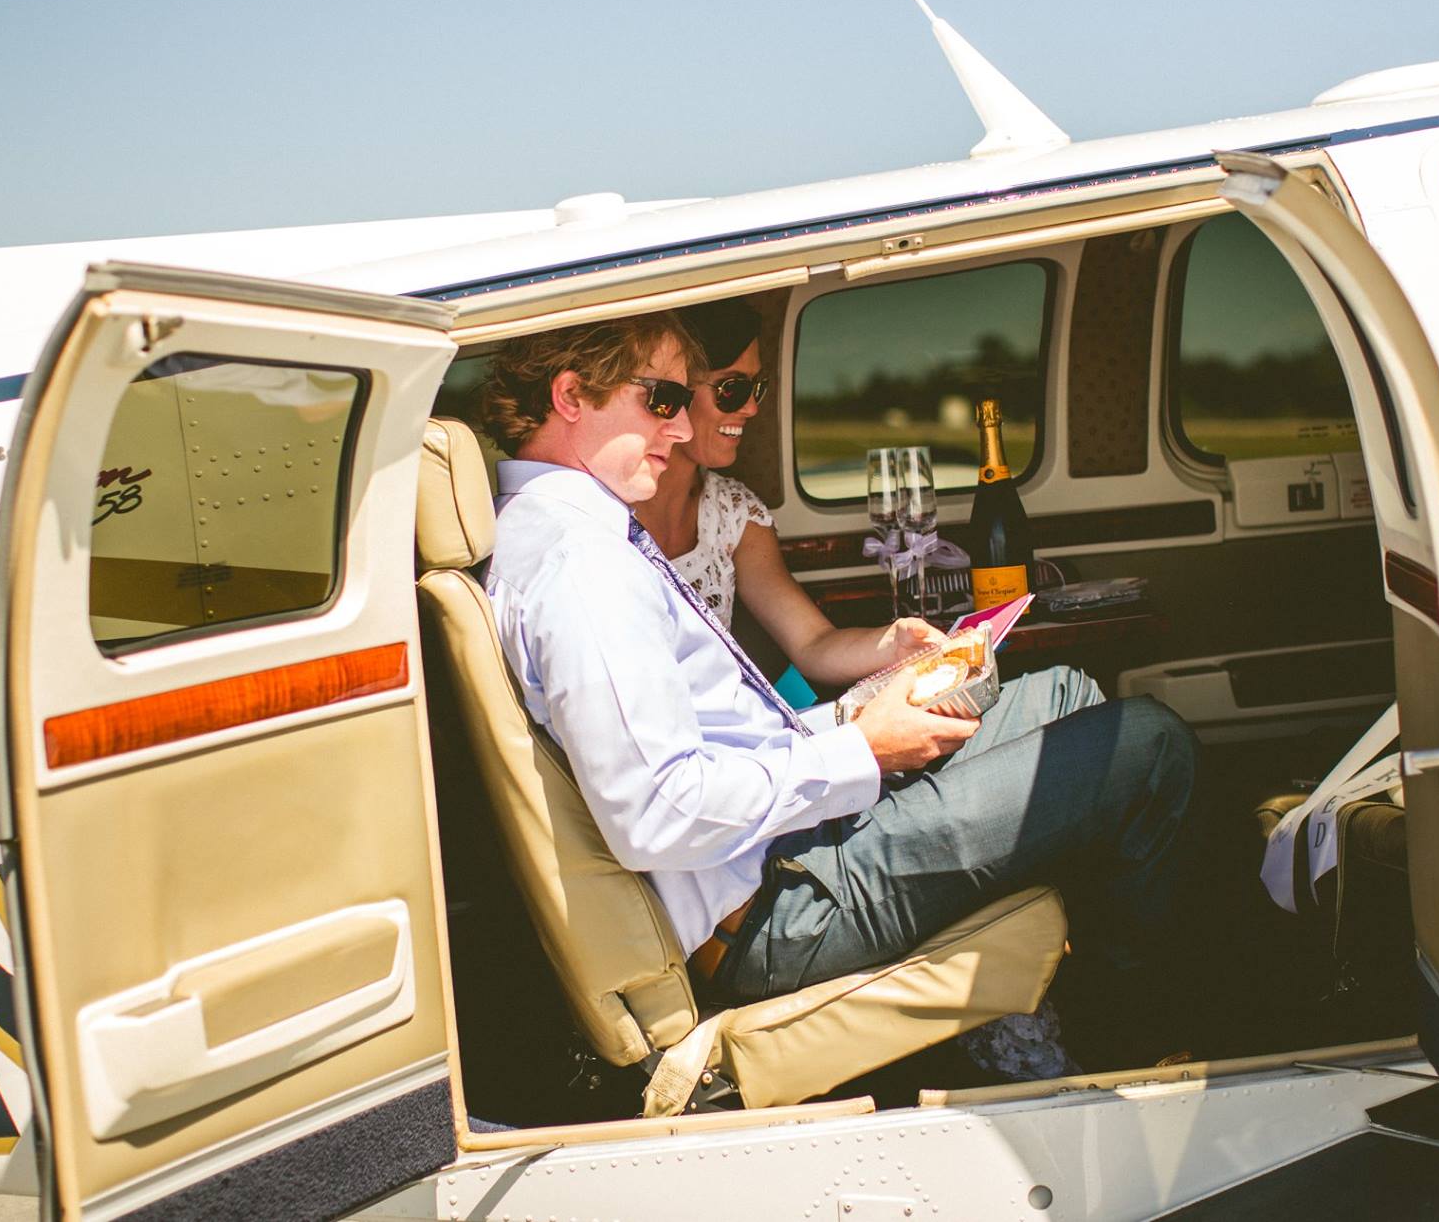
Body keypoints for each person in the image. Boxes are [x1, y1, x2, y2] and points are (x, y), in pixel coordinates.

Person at [481, 312, 1200, 1068]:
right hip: (777, 909)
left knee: (1063, 695)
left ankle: (1074, 999)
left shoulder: (570, 534)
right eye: (662, 399)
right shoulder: (582, 565)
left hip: (782, 852)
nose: (685, 421)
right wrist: (864, 748)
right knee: (1149, 748)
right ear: (570, 395)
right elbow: (657, 811)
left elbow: (709, 746)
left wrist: (858, 712)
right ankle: (1135, 1049)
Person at [630, 302, 1105, 1076]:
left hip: (791, 738)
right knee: (1127, 739)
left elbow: (811, 643)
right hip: (757, 796)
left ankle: (1046, 967)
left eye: (759, 388)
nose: (752, 409)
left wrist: (897, 643)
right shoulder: (607, 543)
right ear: (677, 395)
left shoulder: (730, 512)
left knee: (1069, 693)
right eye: (733, 390)